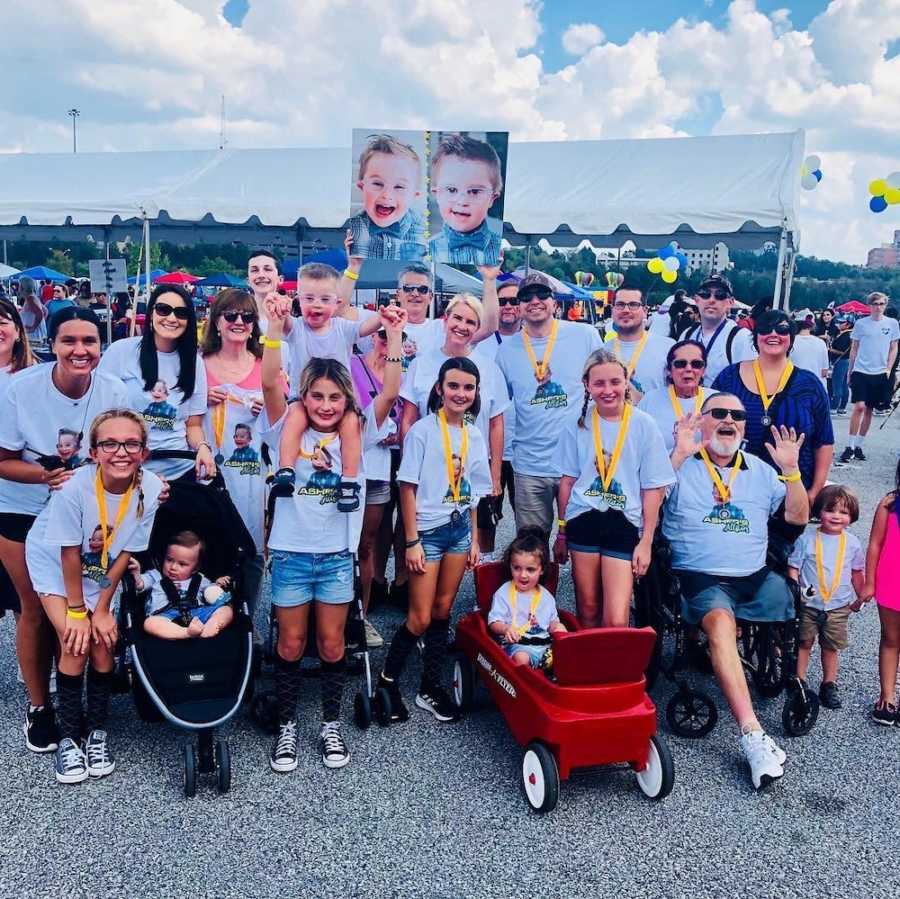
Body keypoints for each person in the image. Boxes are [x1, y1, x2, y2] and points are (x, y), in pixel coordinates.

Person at [664, 393, 809, 790]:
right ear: (702, 421)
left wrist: (792, 471)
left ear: (745, 426)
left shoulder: (762, 471)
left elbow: (798, 516)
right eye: (719, 413)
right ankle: (752, 735)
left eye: (737, 415)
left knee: (791, 599)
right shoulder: (680, 465)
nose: (728, 420)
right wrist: (677, 455)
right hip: (701, 576)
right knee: (722, 626)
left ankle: (781, 670)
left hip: (754, 575)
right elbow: (649, 506)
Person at [0, 308, 128, 754]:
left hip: (84, 511)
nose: (80, 350)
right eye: (69, 341)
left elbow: (125, 452)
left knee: (79, 601)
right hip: (23, 505)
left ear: (100, 346)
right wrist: (44, 477)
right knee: (33, 606)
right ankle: (39, 706)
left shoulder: (114, 390)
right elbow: (2, 459)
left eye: (90, 341)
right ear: (50, 344)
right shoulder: (20, 389)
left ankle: (75, 699)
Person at [265, 354, 390, 773]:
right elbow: (269, 382)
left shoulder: (354, 428)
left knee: (333, 643)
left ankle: (330, 723)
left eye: (335, 396)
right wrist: (273, 327)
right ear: (303, 398)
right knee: (291, 643)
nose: (325, 405)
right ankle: (287, 724)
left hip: (336, 554)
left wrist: (392, 339)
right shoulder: (290, 424)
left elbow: (389, 390)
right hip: (292, 552)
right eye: (316, 396)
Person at [24, 409, 163, 783]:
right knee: (75, 641)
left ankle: (96, 732)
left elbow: (125, 553)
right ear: (94, 452)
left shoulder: (149, 489)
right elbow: (68, 553)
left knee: (103, 640)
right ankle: (69, 738)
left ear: (144, 452)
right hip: (55, 563)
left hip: (100, 566)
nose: (121, 452)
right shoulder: (74, 489)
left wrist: (102, 609)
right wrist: (76, 611)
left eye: (131, 443)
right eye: (110, 444)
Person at [380, 357, 492, 723]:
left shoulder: (474, 434)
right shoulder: (424, 431)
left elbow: (474, 489)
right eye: (454, 386)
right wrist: (411, 541)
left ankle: (430, 686)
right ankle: (387, 681)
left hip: (459, 530)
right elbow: (407, 488)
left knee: (443, 611)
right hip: (427, 532)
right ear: (440, 389)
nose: (461, 393)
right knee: (420, 617)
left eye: (468, 388)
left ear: (476, 394)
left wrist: (474, 538)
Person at [555, 350, 674, 627]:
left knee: (617, 618)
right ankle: (590, 670)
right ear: (587, 385)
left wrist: (645, 542)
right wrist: (561, 532)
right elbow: (568, 482)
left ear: (626, 381)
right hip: (583, 518)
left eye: (614, 382)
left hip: (623, 523)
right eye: (599, 384)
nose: (608, 390)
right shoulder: (578, 423)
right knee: (587, 607)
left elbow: (653, 489)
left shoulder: (644, 425)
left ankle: (612, 669)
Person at [401, 291, 507, 560]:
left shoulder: (488, 367)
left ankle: (480, 588)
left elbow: (496, 424)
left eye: (470, 322)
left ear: (477, 328)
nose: (462, 326)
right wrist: (408, 465)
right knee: (420, 531)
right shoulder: (422, 364)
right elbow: (408, 419)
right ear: (445, 319)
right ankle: (406, 588)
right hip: (430, 467)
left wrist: (495, 475)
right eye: (457, 318)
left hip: (470, 466)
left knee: (480, 528)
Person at [496, 272, 603, 537]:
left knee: (581, 540)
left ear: (555, 303)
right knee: (531, 544)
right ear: (519, 305)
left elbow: (607, 382)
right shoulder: (507, 350)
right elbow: (497, 407)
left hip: (577, 461)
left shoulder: (584, 335)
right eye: (526, 297)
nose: (535, 301)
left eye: (542, 295)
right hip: (530, 465)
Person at [200, 288, 281, 609]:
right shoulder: (197, 365)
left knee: (252, 548)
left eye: (247, 316)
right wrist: (200, 400)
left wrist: (271, 404)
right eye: (230, 315)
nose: (239, 322)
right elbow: (180, 414)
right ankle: (212, 615)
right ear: (216, 322)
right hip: (209, 473)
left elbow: (285, 420)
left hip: (253, 476)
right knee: (207, 544)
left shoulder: (267, 367)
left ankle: (248, 617)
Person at [713, 309, 833, 499]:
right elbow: (710, 428)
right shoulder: (729, 378)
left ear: (791, 338)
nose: (774, 334)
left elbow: (824, 442)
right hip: (734, 490)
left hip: (791, 491)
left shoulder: (810, 385)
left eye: (782, 329)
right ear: (755, 336)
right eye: (766, 328)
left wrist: (814, 492)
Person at [99, 284, 214, 484]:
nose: (171, 318)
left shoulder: (194, 362)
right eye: (163, 310)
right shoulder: (121, 352)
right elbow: (99, 414)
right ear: (151, 313)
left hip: (179, 469)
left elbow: (193, 425)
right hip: (128, 468)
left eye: (180, 313)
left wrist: (203, 447)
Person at [347, 314, 406, 647]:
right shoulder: (352, 363)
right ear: (372, 336)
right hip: (350, 463)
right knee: (345, 546)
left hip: (380, 466)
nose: (386, 340)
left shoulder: (402, 373)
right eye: (382, 335)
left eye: (393, 336)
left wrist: (397, 432)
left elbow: (407, 413)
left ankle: (362, 616)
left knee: (366, 545)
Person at [787, 485, 865, 711]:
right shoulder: (807, 539)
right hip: (809, 604)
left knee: (830, 646)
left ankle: (828, 684)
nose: (836, 516)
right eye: (831, 510)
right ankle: (799, 680)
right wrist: (796, 590)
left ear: (852, 517)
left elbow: (857, 571)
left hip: (838, 606)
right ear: (819, 511)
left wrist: (860, 595)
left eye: (844, 512)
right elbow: (794, 566)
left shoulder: (852, 543)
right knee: (804, 641)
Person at [0, 298, 35, 628]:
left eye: (3, 320)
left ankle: (47, 678)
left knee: (28, 603)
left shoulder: (33, 376)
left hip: (19, 501)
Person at [487, 527, 566, 667]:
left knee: (565, 654)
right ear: (510, 566)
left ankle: (555, 678)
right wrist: (505, 629)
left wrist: (558, 628)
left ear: (541, 570)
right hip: (517, 645)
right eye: (517, 568)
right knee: (522, 659)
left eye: (530, 570)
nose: (523, 575)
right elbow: (494, 622)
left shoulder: (545, 596)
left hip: (544, 645)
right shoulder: (504, 593)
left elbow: (552, 621)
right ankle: (528, 681)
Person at [133, 530, 234, 639]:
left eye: (182, 564)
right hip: (167, 616)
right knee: (149, 624)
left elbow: (211, 593)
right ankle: (186, 633)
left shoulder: (200, 579)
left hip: (197, 614)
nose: (173, 567)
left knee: (226, 609)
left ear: (195, 568)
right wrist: (137, 576)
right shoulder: (156, 576)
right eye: (169, 560)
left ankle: (212, 625)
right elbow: (140, 585)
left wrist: (217, 585)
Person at [861, 459, 900, 725]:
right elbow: (875, 543)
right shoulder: (889, 503)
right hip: (891, 581)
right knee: (890, 638)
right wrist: (870, 581)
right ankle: (887, 697)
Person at [840, 292, 899, 464]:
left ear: (885, 305)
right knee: (859, 406)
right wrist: (850, 370)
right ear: (869, 306)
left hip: (880, 372)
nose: (878, 307)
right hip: (861, 370)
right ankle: (850, 445)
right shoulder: (861, 324)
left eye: (881, 304)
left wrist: (888, 368)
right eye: (875, 304)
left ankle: (859, 445)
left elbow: (894, 347)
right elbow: (854, 348)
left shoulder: (892, 324)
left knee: (869, 410)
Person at [347, 134, 425, 261]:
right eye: (378, 183)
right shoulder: (353, 229)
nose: (387, 195)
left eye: (399, 187)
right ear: (362, 187)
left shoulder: (423, 231)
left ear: (414, 196)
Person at [428, 135, 503, 266]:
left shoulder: (501, 250)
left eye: (474, 191)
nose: (462, 201)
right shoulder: (425, 251)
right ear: (436, 194)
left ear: (492, 198)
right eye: (451, 190)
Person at [638, 340, 718, 453]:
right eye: (681, 364)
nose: (688, 369)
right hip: (665, 468)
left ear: (704, 370)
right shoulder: (650, 400)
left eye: (696, 364)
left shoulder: (716, 400)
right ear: (669, 370)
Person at [680, 276, 755, 385]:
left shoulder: (741, 338)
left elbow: (749, 385)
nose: (711, 300)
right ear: (696, 300)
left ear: (730, 302)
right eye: (705, 294)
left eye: (720, 295)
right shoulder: (687, 335)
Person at [606, 287, 674, 402]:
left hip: (655, 418)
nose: (626, 310)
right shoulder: (603, 351)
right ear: (612, 310)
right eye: (620, 304)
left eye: (633, 305)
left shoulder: (667, 347)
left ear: (645, 311)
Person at [790, 317, 829, 388]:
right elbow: (824, 372)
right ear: (812, 326)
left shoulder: (790, 342)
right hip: (817, 388)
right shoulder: (821, 343)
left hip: (795, 387)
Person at [828, 316, 853, 414]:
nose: (839, 324)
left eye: (842, 322)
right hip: (846, 361)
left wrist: (830, 349)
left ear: (848, 324)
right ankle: (842, 406)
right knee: (843, 384)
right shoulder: (849, 334)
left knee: (837, 384)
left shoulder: (846, 335)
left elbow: (842, 351)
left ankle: (834, 406)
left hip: (841, 361)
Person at [16, 276, 48, 348]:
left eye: (19, 285)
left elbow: (40, 313)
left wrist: (34, 326)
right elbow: (45, 311)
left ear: (23, 286)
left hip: (32, 336)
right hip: (35, 335)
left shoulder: (30, 298)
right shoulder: (32, 297)